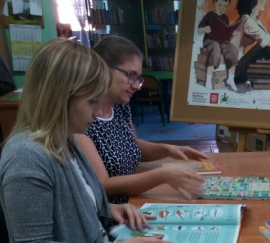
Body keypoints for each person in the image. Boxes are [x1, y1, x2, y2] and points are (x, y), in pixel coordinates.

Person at [0, 38, 178, 243]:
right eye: (91, 102)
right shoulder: (26, 159)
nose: (98, 113)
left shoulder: (63, 139)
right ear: (61, 99)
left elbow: (76, 202)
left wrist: (111, 209)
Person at [74, 35, 207, 203]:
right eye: (131, 75)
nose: (137, 85)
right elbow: (103, 185)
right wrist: (162, 175)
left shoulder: (120, 106)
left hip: (135, 201)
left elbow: (130, 146)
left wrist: (167, 149)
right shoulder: (82, 119)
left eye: (138, 78)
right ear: (104, 69)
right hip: (113, 213)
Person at [197, 0, 239, 89]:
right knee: (215, 48)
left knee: (233, 49)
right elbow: (199, 30)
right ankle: (208, 78)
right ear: (215, 2)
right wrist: (205, 29)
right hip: (210, 40)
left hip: (223, 40)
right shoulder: (209, 15)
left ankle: (231, 78)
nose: (222, 8)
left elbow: (226, 30)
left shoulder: (225, 17)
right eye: (220, 5)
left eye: (225, 6)